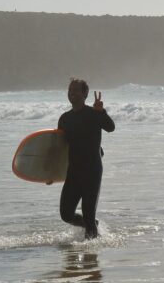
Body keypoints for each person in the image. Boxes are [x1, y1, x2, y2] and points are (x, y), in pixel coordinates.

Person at [57, 78, 115, 239]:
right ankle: (92, 228)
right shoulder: (64, 119)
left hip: (92, 170)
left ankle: (91, 254)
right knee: (66, 214)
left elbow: (111, 128)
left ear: (85, 93)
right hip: (74, 171)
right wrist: (50, 173)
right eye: (70, 90)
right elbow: (60, 148)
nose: (72, 93)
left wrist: (101, 112)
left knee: (88, 213)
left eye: (76, 90)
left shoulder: (94, 114)